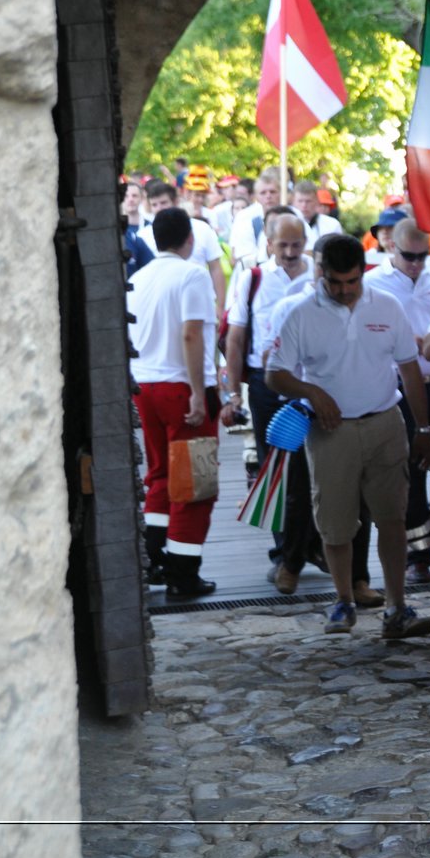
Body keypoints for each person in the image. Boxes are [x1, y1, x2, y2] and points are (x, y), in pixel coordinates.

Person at [265, 235, 430, 640]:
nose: (343, 291)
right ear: (321, 273)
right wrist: (311, 391)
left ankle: (397, 607)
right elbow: (274, 372)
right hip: (330, 432)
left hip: (385, 424)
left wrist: (423, 428)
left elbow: (409, 369)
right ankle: (343, 599)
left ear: (364, 272)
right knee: (336, 524)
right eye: (335, 282)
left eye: (351, 282)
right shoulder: (300, 314)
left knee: (392, 519)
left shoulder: (388, 306)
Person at [221, 211, 320, 593]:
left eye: (297, 245)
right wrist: (233, 393)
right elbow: (235, 337)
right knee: (278, 472)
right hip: (267, 387)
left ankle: (307, 547)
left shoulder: (318, 274)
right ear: (269, 245)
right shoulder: (252, 278)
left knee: (315, 470)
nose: (292, 252)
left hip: (313, 383)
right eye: (284, 245)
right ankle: (285, 555)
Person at [127, 207, 221, 598]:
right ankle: (184, 572)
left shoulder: (139, 277)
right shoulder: (192, 274)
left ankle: (155, 559)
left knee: (161, 475)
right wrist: (200, 393)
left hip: (146, 387)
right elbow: (191, 334)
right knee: (194, 482)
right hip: (181, 387)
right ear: (190, 239)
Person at [365, 217, 430, 574]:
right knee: (409, 470)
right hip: (396, 387)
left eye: (424, 255)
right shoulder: (372, 283)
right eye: (410, 256)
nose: (418, 264)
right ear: (391, 246)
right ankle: (418, 553)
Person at [140, 179, 227, 311]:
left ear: (175, 202)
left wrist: (221, 307)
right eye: (154, 205)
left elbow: (215, 268)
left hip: (200, 302)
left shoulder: (201, 228)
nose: (159, 208)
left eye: (163, 203)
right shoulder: (143, 236)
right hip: (162, 306)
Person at [229, 169, 283, 269]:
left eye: (272, 192)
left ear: (280, 193)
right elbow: (244, 257)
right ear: (256, 196)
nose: (268, 196)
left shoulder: (294, 214)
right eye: (263, 193)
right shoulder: (244, 217)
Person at [120, 179, 154, 277]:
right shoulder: (117, 230)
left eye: (134, 196)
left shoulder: (151, 227)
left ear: (141, 198)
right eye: (126, 196)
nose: (130, 199)